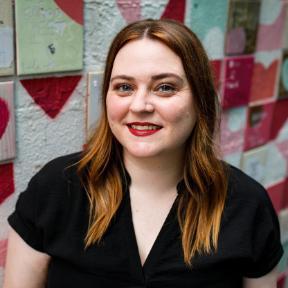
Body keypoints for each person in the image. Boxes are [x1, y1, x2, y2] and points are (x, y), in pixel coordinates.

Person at [3, 19, 283, 288]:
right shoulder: (55, 189)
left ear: (200, 100)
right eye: (124, 87)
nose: (139, 105)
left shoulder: (248, 205)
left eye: (165, 87)